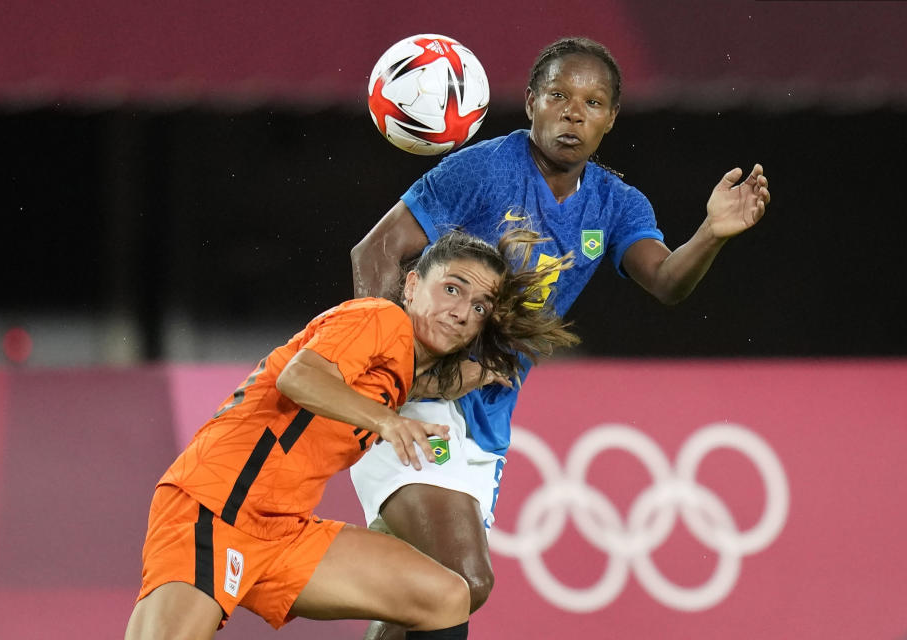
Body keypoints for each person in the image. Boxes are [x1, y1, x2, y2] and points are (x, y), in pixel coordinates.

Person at [349, 36, 772, 640]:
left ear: (611, 118)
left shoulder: (616, 205)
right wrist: (387, 362)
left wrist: (711, 232)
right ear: (529, 103)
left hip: (488, 420)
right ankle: (305, 566)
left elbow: (667, 282)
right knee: (464, 581)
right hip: (417, 400)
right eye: (558, 95)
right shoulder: (482, 169)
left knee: (433, 600)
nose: (574, 112)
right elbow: (376, 252)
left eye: (593, 101)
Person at [124, 229, 578, 640]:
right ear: (412, 285)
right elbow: (299, 379)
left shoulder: (403, 372)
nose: (460, 312)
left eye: (478, 307)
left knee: (445, 596)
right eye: (452, 289)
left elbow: (434, 381)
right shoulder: (377, 318)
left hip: (284, 530)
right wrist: (388, 423)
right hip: (215, 507)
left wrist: (486, 370)